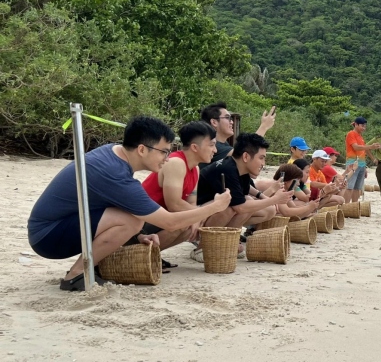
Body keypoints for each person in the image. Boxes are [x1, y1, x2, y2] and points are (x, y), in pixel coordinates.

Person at [28, 116, 231, 291]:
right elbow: (169, 222)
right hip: (47, 236)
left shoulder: (113, 154)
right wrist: (214, 207)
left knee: (133, 222)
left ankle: (92, 265)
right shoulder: (115, 173)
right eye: (164, 152)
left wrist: (139, 236)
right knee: (130, 221)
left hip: (55, 226)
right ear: (142, 149)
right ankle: (77, 275)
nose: (166, 159)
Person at [194, 133, 294, 260]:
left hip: (209, 209)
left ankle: (229, 241)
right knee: (230, 207)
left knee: (247, 202)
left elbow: (245, 196)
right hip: (196, 214)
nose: (263, 163)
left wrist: (266, 198)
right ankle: (203, 247)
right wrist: (274, 199)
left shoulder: (241, 169)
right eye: (261, 158)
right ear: (246, 156)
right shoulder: (228, 169)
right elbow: (240, 207)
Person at [140, 121, 218, 270]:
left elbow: (191, 204)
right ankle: (143, 256)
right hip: (140, 220)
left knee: (190, 225)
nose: (215, 150)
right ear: (195, 147)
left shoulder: (195, 168)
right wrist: (201, 215)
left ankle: (152, 255)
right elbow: (174, 204)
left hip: (157, 218)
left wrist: (196, 218)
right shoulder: (176, 162)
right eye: (211, 145)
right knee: (183, 223)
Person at [201, 102, 276, 164]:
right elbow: (243, 153)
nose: (232, 122)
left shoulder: (224, 144)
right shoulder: (213, 146)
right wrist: (264, 126)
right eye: (227, 118)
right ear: (214, 122)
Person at [343, 117, 381, 203]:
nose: (364, 128)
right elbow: (356, 147)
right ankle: (346, 207)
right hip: (352, 163)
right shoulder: (351, 134)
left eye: (365, 126)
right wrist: (371, 146)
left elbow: (364, 150)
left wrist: (372, 160)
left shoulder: (360, 136)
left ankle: (354, 207)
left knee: (357, 187)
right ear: (356, 124)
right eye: (362, 126)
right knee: (350, 186)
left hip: (361, 164)